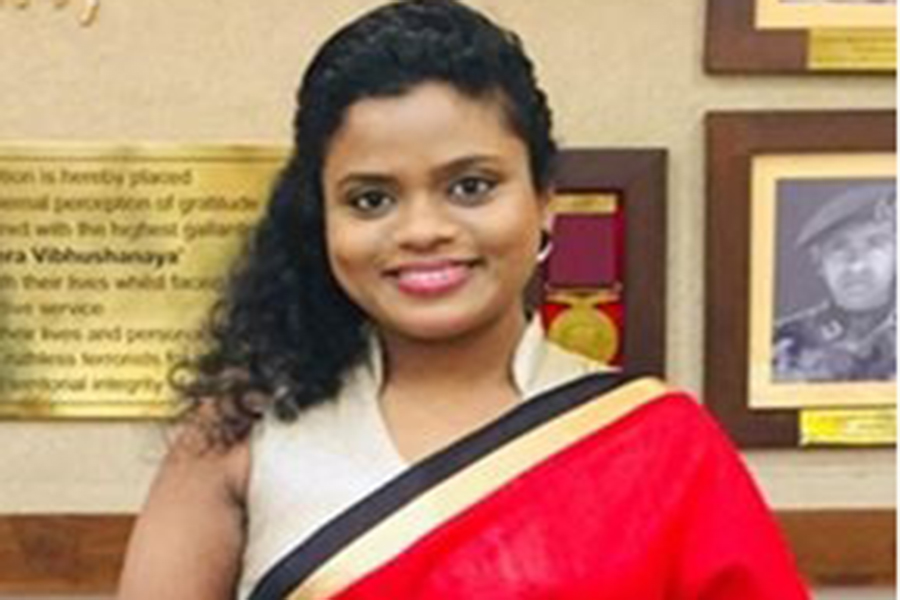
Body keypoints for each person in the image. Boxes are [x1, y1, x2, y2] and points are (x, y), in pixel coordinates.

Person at [117, 1, 810, 598]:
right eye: (371, 199)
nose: (423, 230)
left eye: (471, 186)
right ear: (321, 219)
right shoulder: (241, 436)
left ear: (544, 203)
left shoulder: (663, 445)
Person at [773, 184, 896, 383]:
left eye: (875, 244)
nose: (857, 265)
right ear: (819, 263)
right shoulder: (780, 342)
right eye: (840, 247)